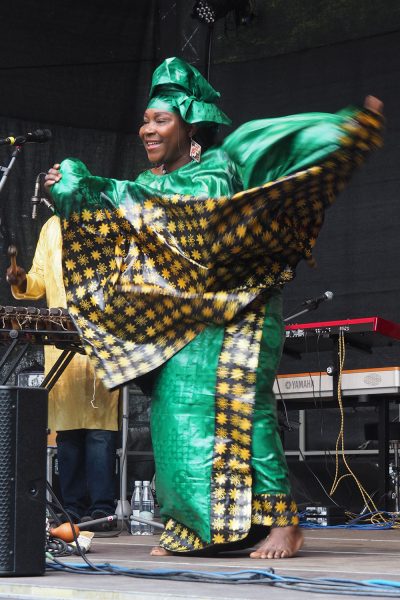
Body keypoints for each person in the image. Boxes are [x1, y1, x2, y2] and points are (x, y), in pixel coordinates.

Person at [44, 57, 383, 558]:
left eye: (161, 120)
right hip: (186, 325)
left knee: (247, 410)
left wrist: (347, 130)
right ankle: (197, 528)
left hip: (244, 312)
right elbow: (117, 230)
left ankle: (285, 523)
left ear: (189, 126)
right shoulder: (147, 185)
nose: (147, 129)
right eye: (145, 119)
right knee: (178, 420)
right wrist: (74, 193)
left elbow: (206, 196)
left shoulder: (222, 168)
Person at [6, 215, 120, 528]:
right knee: (68, 433)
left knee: (100, 432)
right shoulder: (52, 226)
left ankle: (102, 511)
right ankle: (70, 508)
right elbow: (39, 279)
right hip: (62, 341)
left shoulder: (109, 219)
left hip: (100, 338)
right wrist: (22, 281)